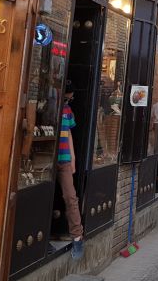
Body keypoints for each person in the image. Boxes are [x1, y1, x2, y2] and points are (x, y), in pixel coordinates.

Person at [58, 82, 84, 259]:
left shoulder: (67, 111)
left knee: (70, 196)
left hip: (65, 159)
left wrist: (73, 158)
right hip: (45, 158)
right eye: (68, 97)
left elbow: (68, 134)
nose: (69, 100)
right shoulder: (49, 106)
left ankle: (77, 237)